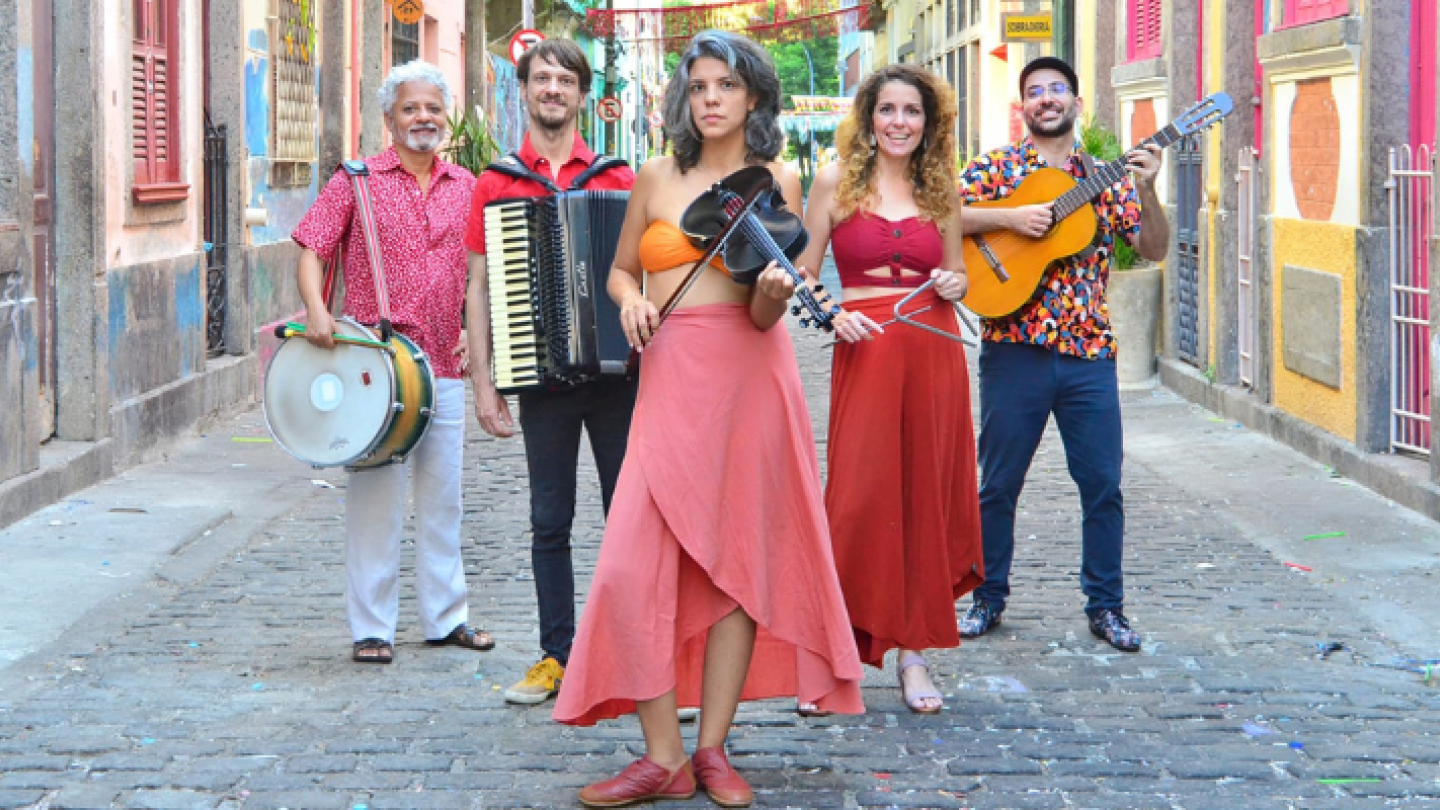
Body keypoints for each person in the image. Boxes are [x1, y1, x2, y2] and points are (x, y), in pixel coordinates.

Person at [552, 30, 865, 809]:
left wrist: (776, 296)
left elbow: (762, 313)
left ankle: (713, 749)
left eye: (725, 85)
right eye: (698, 87)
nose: (711, 99)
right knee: (630, 568)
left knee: (737, 565)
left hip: (750, 381)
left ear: (753, 95)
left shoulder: (776, 179)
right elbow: (621, 272)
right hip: (670, 379)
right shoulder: (656, 176)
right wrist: (632, 302)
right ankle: (663, 757)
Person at [956, 56, 1169, 652]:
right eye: (1034, 91)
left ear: (1076, 103)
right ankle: (987, 598)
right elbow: (938, 217)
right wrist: (1009, 217)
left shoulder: (1106, 177)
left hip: (1088, 353)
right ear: (1022, 106)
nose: (1046, 98)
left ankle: (1107, 607)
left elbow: (1153, 248)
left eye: (1057, 89)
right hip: (1012, 350)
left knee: (1103, 485)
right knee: (998, 484)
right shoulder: (995, 168)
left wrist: (1147, 188)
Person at [795, 64, 982, 715]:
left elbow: (956, 274)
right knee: (857, 499)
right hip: (866, 350)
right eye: (888, 109)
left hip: (932, 350)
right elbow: (801, 273)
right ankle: (835, 655)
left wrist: (955, 284)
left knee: (922, 496)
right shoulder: (833, 183)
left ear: (929, 123)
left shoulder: (943, 190)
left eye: (912, 111)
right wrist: (831, 314)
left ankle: (913, 655)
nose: (899, 122)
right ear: (869, 117)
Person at [291, 61, 489, 665]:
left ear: (446, 117)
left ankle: (446, 618)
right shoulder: (356, 181)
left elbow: (481, 275)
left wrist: (473, 333)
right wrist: (316, 309)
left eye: (432, 108)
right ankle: (371, 627)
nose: (422, 118)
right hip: (376, 366)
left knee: (444, 499)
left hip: (444, 363)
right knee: (375, 496)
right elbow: (311, 247)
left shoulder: (467, 185)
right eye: (410, 108)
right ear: (389, 119)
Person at [462, 39, 636, 707]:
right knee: (548, 520)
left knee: (629, 520)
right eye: (542, 78)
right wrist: (485, 385)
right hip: (542, 381)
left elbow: (646, 275)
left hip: (618, 380)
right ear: (525, 89)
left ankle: (633, 658)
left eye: (565, 79)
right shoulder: (496, 182)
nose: (553, 89)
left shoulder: (620, 178)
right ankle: (556, 657)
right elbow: (479, 287)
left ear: (582, 95)